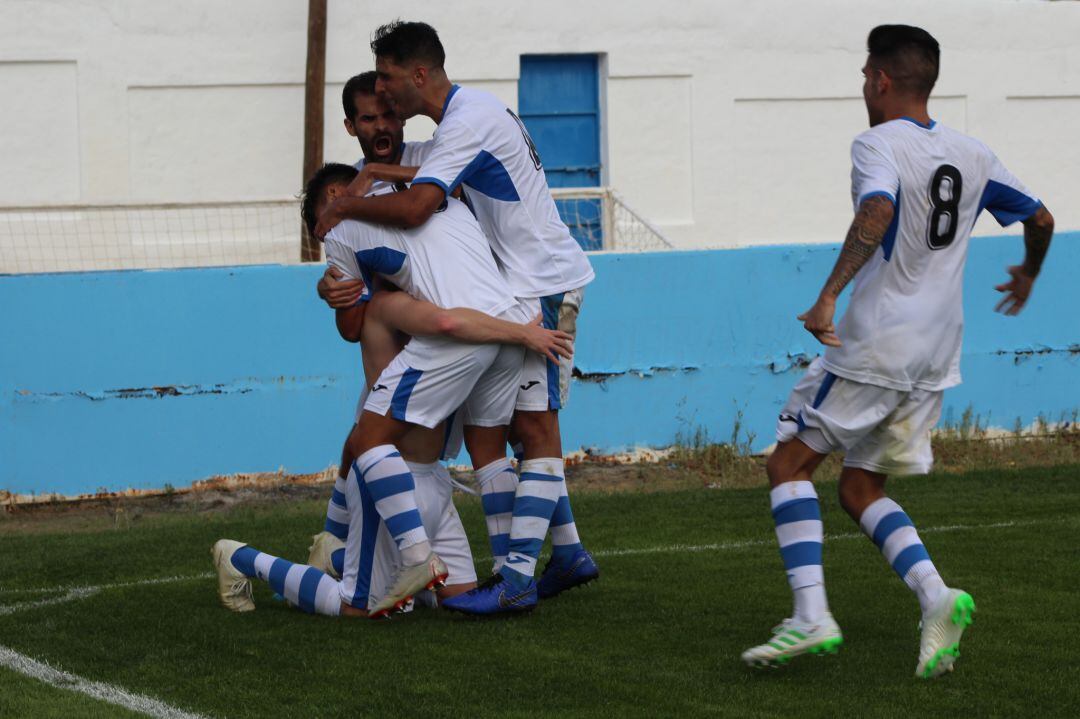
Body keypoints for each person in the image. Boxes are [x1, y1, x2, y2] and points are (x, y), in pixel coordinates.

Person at [741, 25, 1054, 678]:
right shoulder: (974, 152)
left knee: (787, 464)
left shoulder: (876, 142)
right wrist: (1028, 272)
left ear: (881, 79)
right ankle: (937, 597)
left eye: (864, 76)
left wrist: (829, 294)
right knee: (858, 486)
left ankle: (810, 616)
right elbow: (1042, 217)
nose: (863, 87)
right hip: (936, 357)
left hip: (875, 345)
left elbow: (877, 208)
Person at [315, 21, 599, 614]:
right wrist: (337, 270)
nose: (387, 104)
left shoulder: (466, 120)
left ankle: (516, 576)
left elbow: (420, 204)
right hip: (511, 291)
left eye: (390, 85)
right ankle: (558, 556)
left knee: (535, 430)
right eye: (371, 109)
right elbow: (416, 189)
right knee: (487, 436)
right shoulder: (457, 125)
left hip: (539, 283)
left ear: (418, 75)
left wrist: (345, 204)